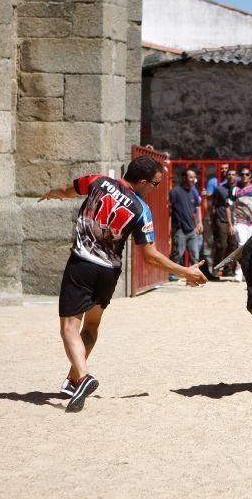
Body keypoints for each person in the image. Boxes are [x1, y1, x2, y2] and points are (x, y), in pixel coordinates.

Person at [38, 156, 207, 412]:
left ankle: (83, 377)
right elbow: (149, 255)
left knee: (69, 328)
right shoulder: (141, 210)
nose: (156, 189)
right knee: (92, 326)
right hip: (108, 272)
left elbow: (66, 190)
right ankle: (73, 380)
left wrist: (53, 194)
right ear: (141, 182)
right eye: (155, 184)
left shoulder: (97, 181)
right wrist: (185, 271)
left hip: (82, 264)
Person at [168, 169, 203, 281]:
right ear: (184, 178)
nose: (193, 179)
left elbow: (197, 208)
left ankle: (194, 274)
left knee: (194, 254)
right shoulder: (175, 192)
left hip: (191, 228)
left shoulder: (193, 191)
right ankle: (173, 274)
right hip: (179, 228)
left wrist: (199, 223)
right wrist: (170, 227)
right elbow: (169, 210)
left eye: (194, 177)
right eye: (191, 177)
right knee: (177, 252)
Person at [230, 171, 252, 280]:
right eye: (242, 174)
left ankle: (249, 272)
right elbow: (229, 206)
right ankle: (239, 272)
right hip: (240, 222)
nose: (244, 176)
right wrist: (231, 223)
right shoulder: (235, 189)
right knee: (242, 244)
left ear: (250, 176)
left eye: (246, 174)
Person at [211, 168, 238, 276]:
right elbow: (213, 205)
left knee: (233, 245)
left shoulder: (239, 189)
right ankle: (216, 268)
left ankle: (227, 269)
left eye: (233, 174)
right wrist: (213, 221)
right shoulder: (220, 189)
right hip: (221, 220)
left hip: (235, 221)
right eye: (229, 174)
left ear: (236, 177)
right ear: (226, 176)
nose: (231, 176)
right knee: (221, 245)